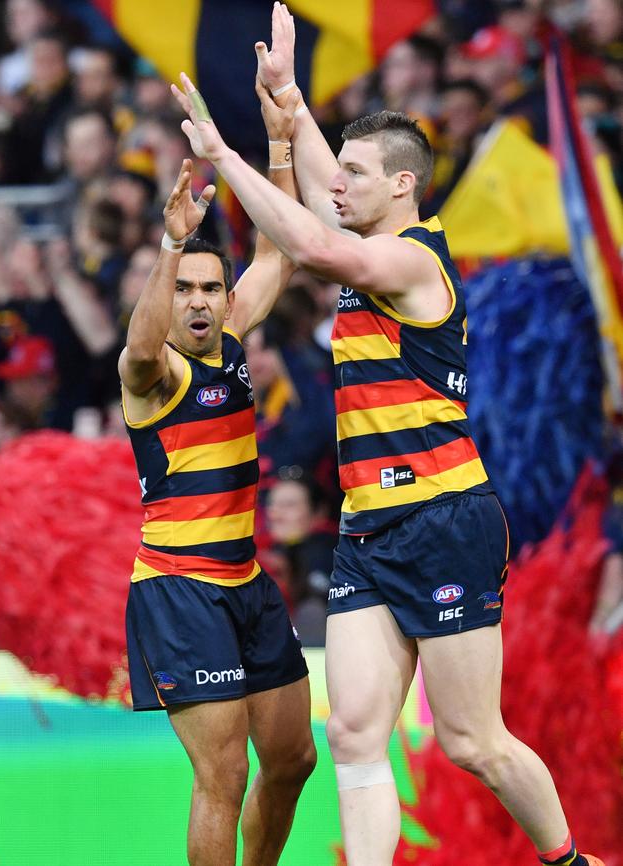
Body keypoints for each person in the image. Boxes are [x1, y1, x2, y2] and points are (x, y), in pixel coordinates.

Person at [169, 5, 606, 866]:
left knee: (473, 744)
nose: (342, 188)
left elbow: (309, 240)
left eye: (359, 176)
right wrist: (288, 100)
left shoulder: (412, 263)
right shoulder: (373, 229)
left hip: (446, 520)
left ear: (401, 185)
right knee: (357, 735)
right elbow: (330, 203)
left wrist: (228, 158)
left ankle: (570, 862)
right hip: (370, 529)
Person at [118, 95, 316, 866]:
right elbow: (137, 347)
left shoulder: (231, 338)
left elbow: (279, 254)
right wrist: (170, 247)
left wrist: (278, 143)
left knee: (294, 759)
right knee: (224, 774)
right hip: (179, 591)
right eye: (184, 289)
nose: (197, 302)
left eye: (208, 289)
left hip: (246, 582)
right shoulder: (153, 374)